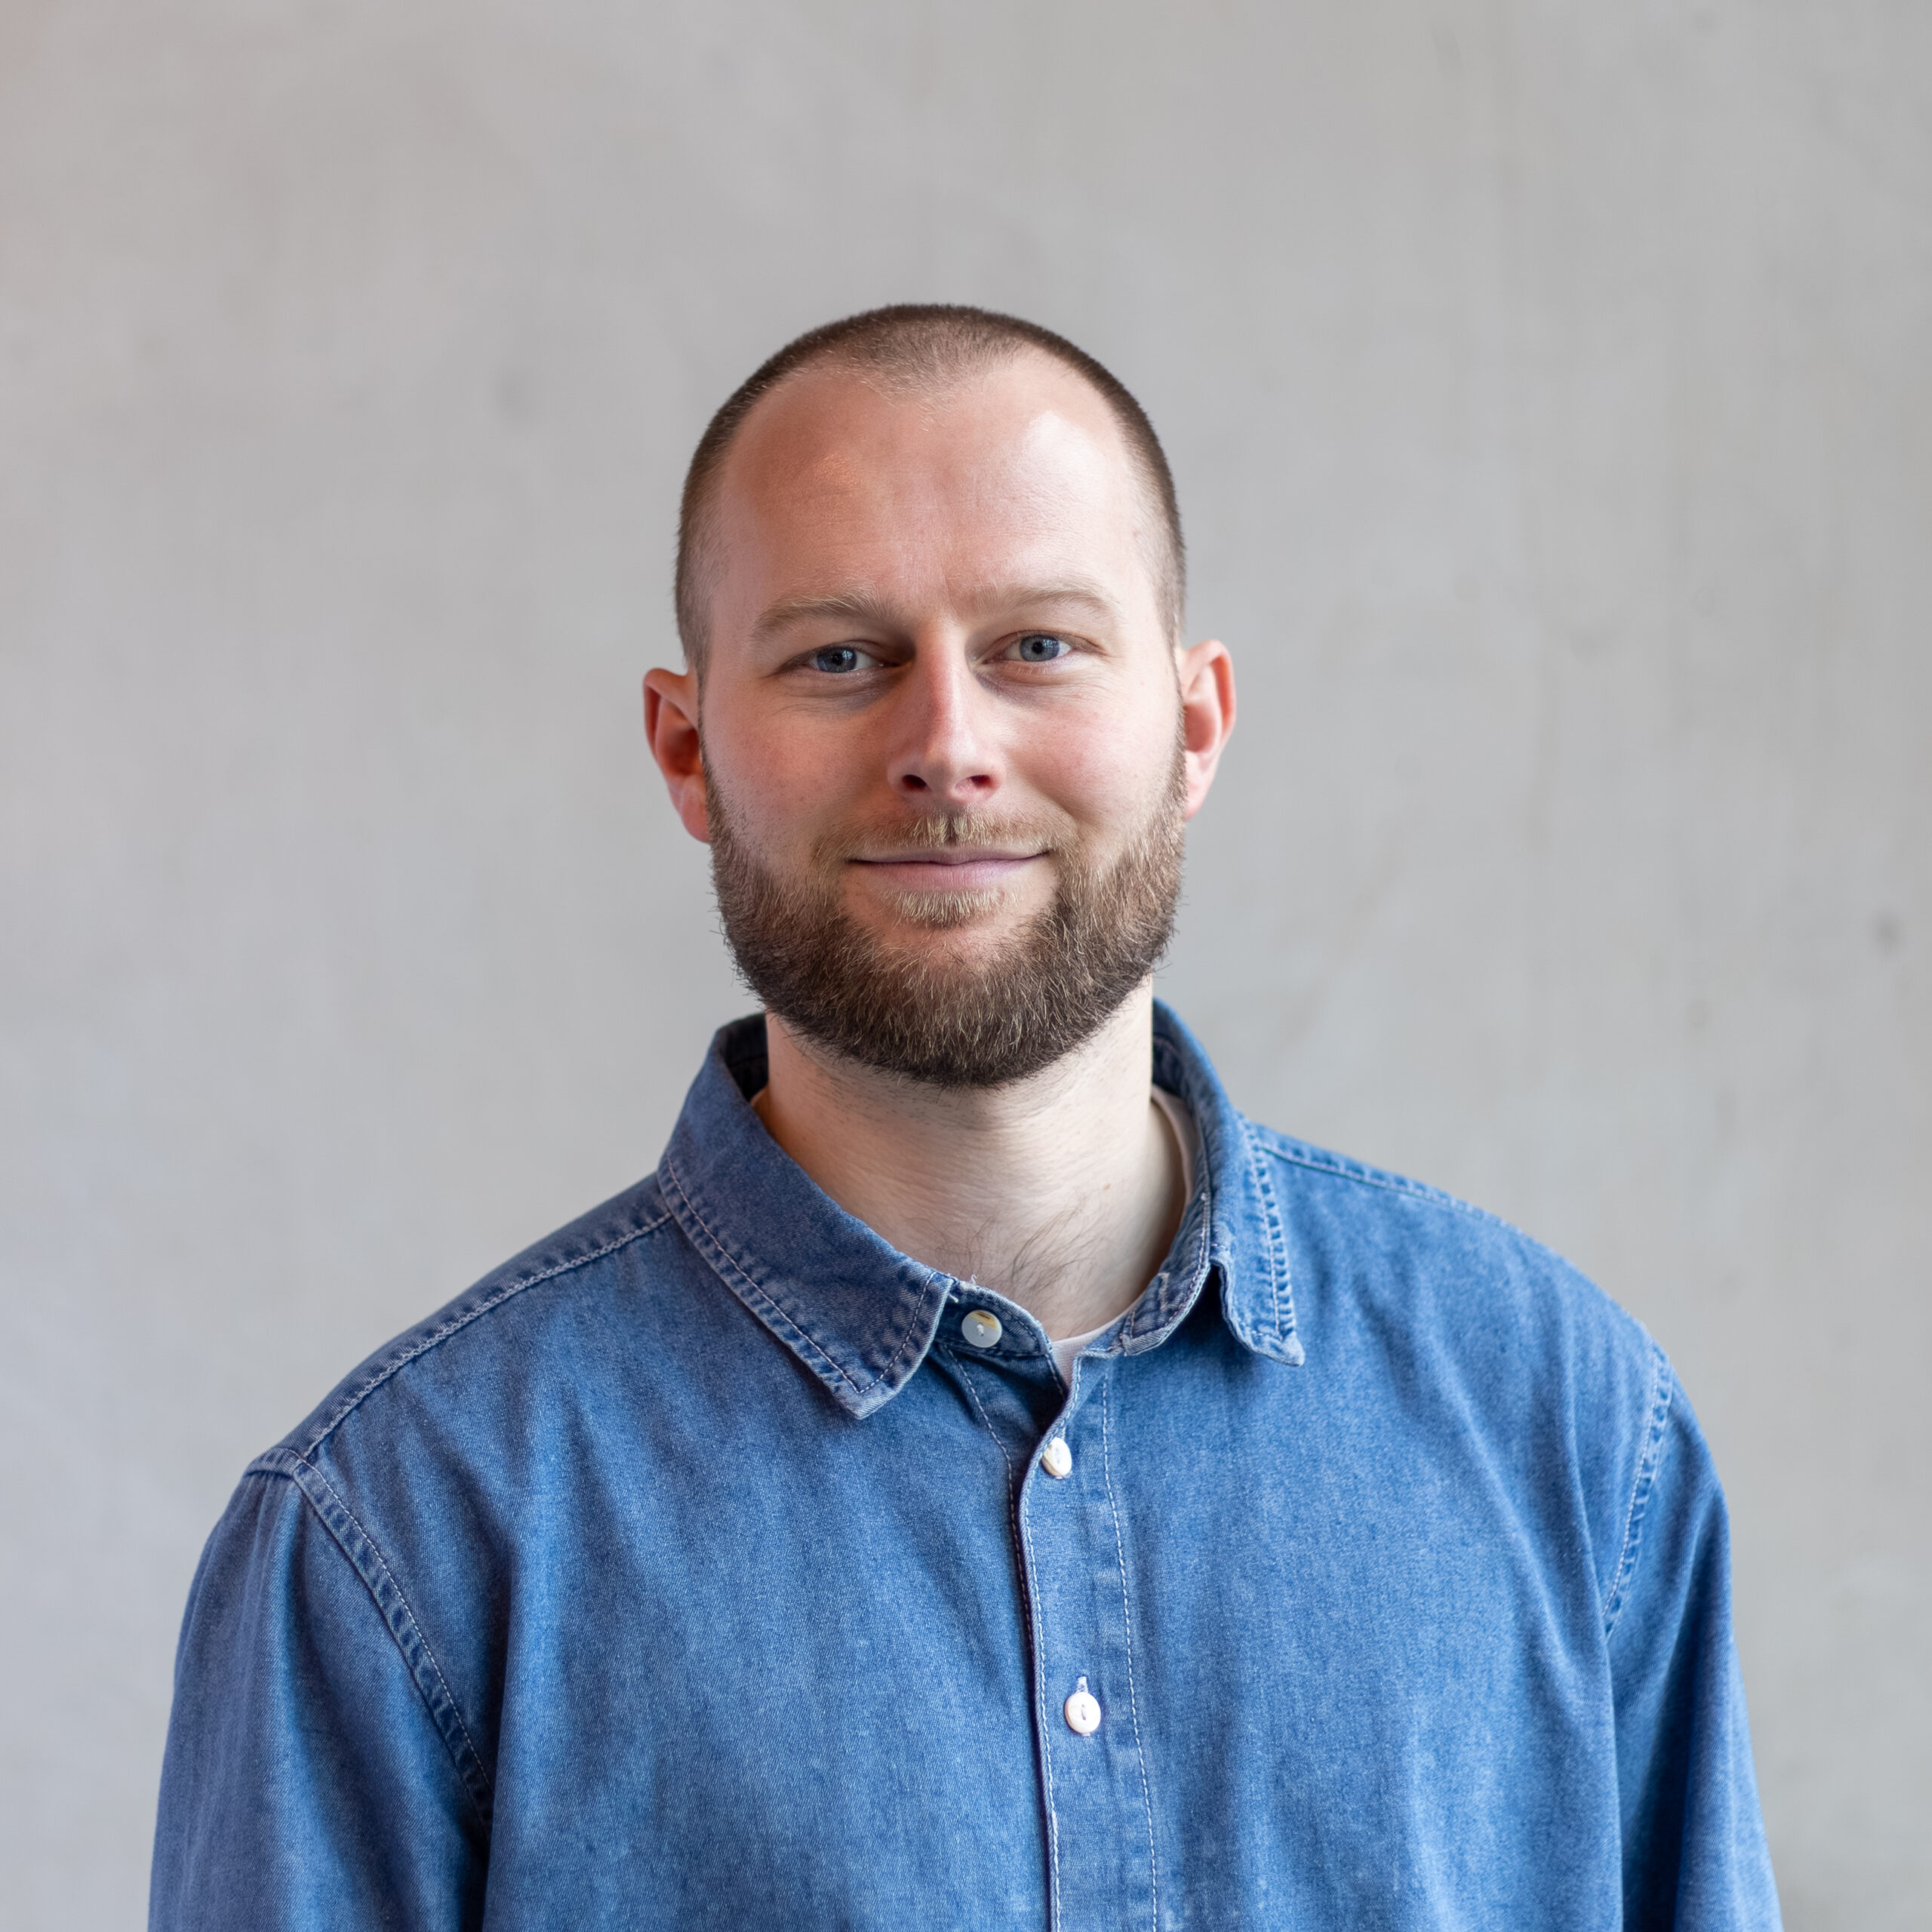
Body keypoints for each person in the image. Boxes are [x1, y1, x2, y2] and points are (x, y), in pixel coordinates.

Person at [149, 305, 1782, 1930]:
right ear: (687, 749)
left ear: (1194, 728)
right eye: (838, 658)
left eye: (1037, 647)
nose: (945, 745)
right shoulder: (398, 1540)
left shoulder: (1566, 1427)